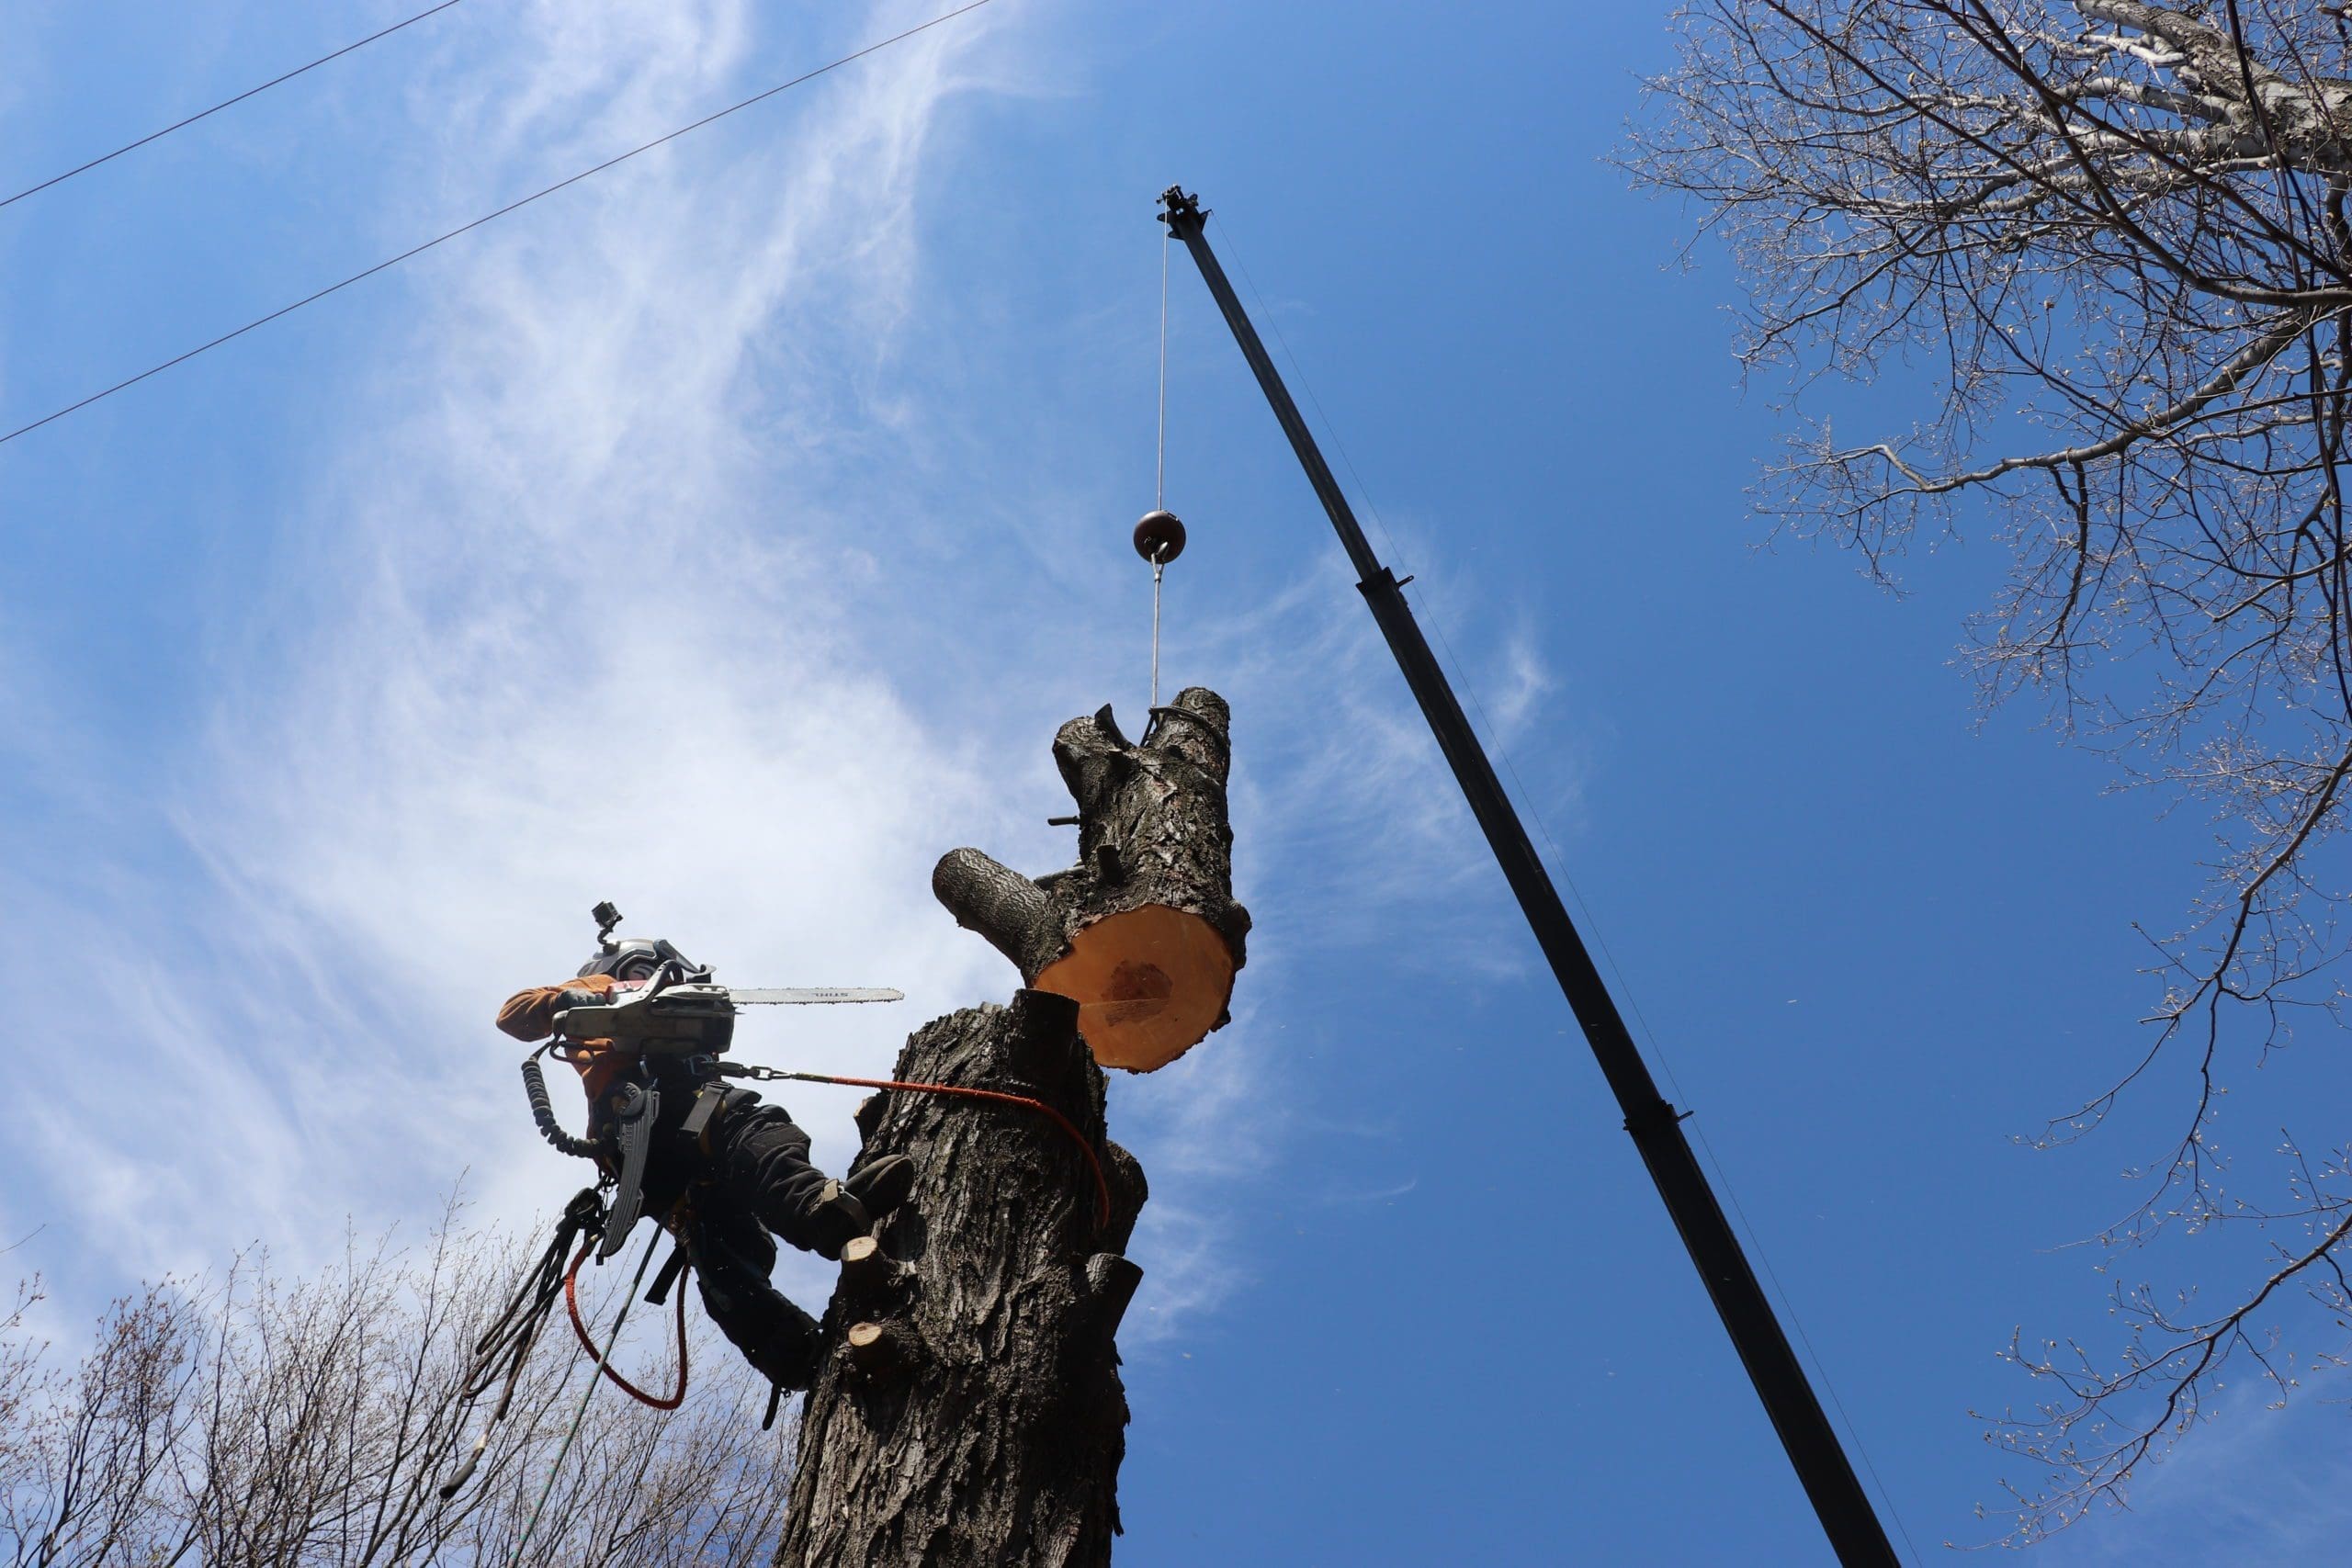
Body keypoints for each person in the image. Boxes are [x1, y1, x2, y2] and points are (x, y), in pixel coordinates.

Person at [497, 934, 912, 1397]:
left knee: (723, 1249)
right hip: (644, 1121)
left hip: (683, 1157)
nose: (663, 981)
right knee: (744, 1125)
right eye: (650, 972)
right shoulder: (598, 991)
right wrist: (576, 997)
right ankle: (814, 1210)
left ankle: (794, 1349)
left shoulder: (684, 1016)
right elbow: (512, 1015)